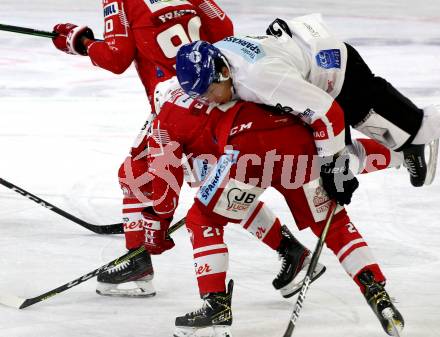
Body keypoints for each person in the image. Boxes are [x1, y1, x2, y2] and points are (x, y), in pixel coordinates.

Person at [142, 79, 404, 337]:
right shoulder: (227, 80)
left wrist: (160, 224)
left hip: (246, 150)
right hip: (294, 140)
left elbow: (166, 183)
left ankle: (216, 306)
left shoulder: (164, 117)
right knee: (333, 224)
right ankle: (375, 289)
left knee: (203, 219)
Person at [50, 0, 235, 297]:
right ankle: (137, 258)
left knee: (147, 177)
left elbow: (115, 58)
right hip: (216, 97)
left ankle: (138, 259)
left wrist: (80, 42)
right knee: (220, 186)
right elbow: (224, 30)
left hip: (173, 106)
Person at [174, 13, 439, 207]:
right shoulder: (216, 59)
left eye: (208, 93)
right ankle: (403, 153)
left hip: (339, 76)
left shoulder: (260, 78)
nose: (206, 101)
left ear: (223, 72)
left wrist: (334, 169)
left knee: (418, 128)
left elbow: (329, 114)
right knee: (335, 158)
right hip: (304, 73)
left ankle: (410, 144)